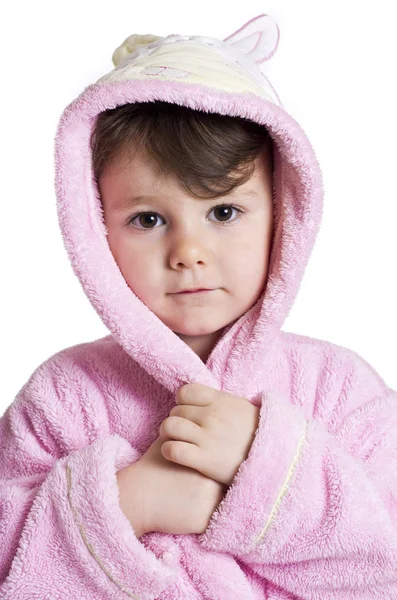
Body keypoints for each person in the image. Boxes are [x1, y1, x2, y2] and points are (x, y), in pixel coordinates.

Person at [0, 12, 396, 599]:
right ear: (93, 229)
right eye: (149, 219)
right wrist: (125, 504)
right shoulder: (61, 397)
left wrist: (273, 468)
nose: (188, 252)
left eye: (224, 212)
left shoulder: (341, 392)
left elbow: (382, 564)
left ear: (283, 214)